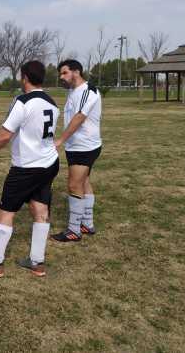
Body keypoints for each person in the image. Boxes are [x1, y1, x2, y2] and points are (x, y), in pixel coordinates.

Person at [0, 61, 60, 278]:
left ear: (25, 78)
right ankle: (37, 261)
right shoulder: (52, 102)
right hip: (49, 164)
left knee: (7, 212)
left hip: (26, 168)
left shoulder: (23, 101)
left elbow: (4, 135)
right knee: (41, 211)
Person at [51, 59, 102, 242]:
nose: (62, 77)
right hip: (79, 146)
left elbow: (80, 117)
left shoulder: (88, 91)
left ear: (77, 72)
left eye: (64, 73)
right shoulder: (74, 91)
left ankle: (74, 230)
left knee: (74, 185)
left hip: (84, 147)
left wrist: (60, 140)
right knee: (84, 182)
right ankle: (87, 224)